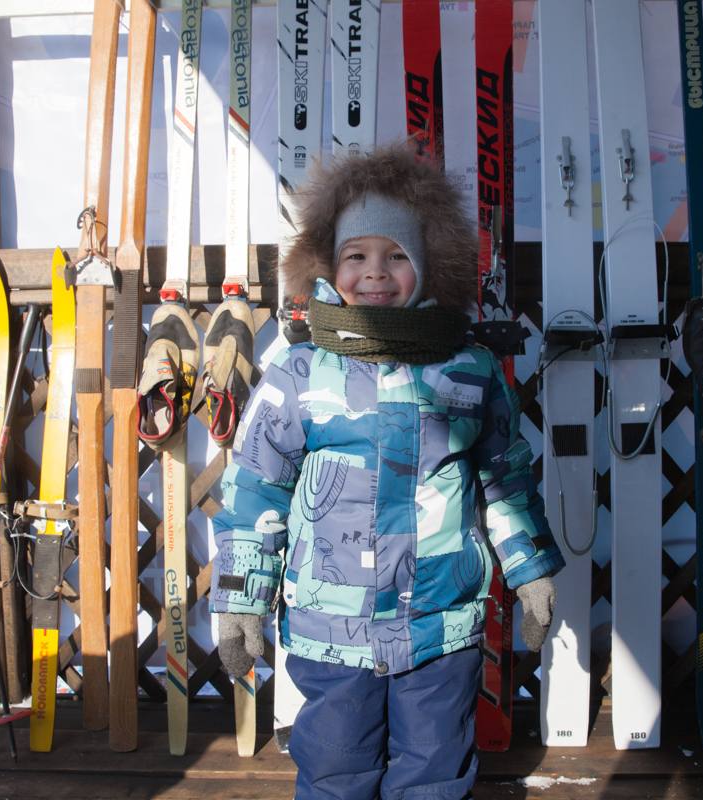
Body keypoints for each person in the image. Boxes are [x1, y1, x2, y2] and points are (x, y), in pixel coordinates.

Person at [209, 146, 564, 800]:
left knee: (433, 774)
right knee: (336, 775)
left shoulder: (466, 372)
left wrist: (532, 569)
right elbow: (253, 490)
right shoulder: (300, 374)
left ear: (429, 265)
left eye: (397, 256)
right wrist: (239, 597)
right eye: (356, 256)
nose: (375, 273)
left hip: (440, 624)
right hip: (329, 634)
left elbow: (506, 480)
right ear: (328, 265)